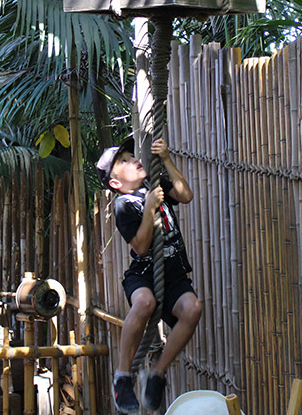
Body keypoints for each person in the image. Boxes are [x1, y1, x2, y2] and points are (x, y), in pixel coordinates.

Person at [96, 137, 201, 413]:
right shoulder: (124, 204)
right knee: (144, 303)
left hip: (174, 275)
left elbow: (186, 195)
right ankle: (122, 377)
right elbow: (141, 247)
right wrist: (151, 207)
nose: (133, 160)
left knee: (193, 309)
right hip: (144, 275)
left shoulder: (156, 186)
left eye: (132, 156)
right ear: (116, 183)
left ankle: (157, 372)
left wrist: (166, 159)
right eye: (125, 161)